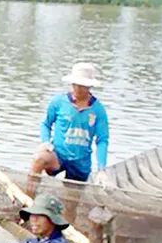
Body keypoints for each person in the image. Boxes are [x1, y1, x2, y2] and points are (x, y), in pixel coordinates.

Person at [28, 62, 110, 194]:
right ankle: (28, 202)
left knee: (71, 205)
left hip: (80, 162)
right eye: (75, 84)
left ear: (90, 86)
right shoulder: (58, 102)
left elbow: (102, 140)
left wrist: (101, 169)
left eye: (82, 86)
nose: (78, 89)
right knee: (39, 158)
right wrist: (45, 141)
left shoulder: (98, 110)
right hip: (59, 155)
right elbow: (46, 124)